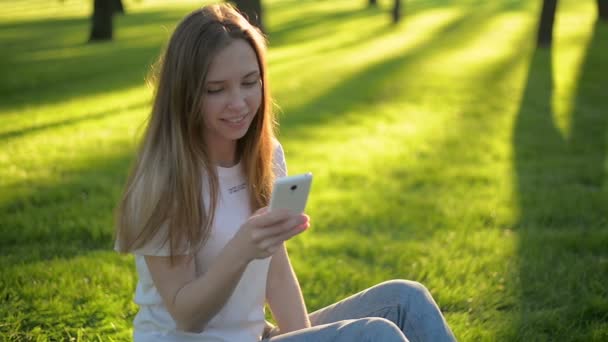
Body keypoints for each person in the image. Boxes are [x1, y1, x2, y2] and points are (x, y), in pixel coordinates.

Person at [114, 4, 456, 342]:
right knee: (375, 335)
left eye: (250, 82)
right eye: (216, 90)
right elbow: (187, 317)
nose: (239, 103)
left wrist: (311, 339)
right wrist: (243, 247)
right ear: (184, 93)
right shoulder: (163, 181)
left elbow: (277, 275)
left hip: (255, 336)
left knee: (405, 299)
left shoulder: (265, 155)